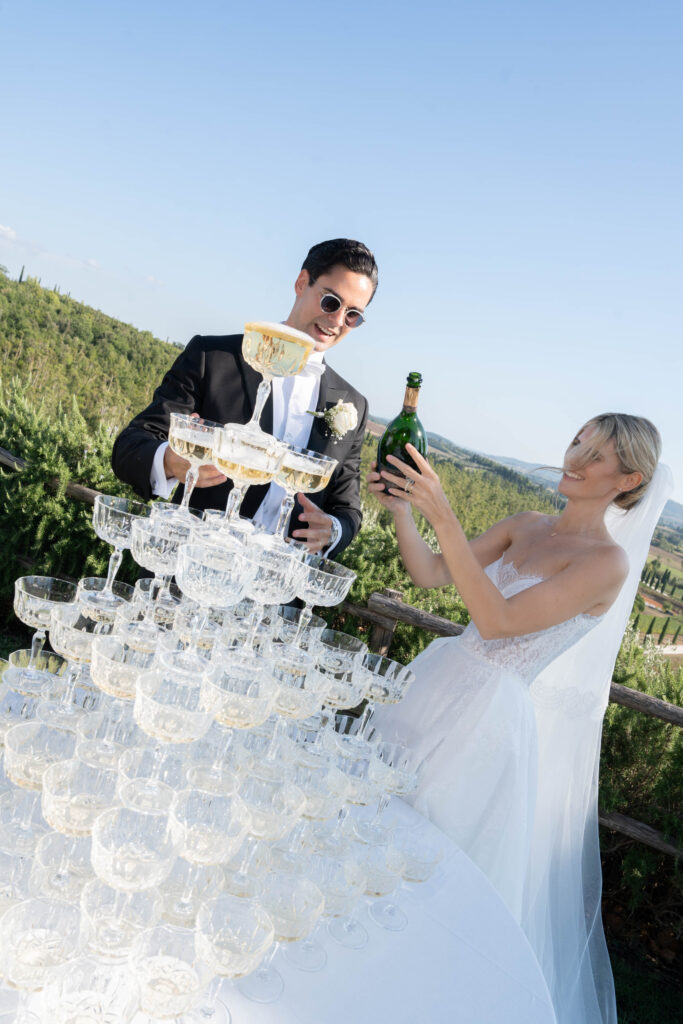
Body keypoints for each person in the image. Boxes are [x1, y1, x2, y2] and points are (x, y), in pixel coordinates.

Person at [367, 413, 672, 1024]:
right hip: (436, 683)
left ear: (628, 479)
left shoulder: (607, 563)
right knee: (372, 818)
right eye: (577, 442)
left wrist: (444, 511)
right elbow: (428, 573)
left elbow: (499, 621)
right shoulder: (524, 525)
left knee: (430, 865)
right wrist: (403, 507)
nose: (575, 458)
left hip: (486, 723)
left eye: (598, 455)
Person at [112, 238, 378, 556]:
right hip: (186, 571)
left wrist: (333, 530)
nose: (337, 321)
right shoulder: (212, 356)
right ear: (302, 282)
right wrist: (169, 461)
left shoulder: (352, 405)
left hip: (276, 594)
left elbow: (347, 508)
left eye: (353, 315)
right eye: (331, 302)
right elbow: (129, 448)